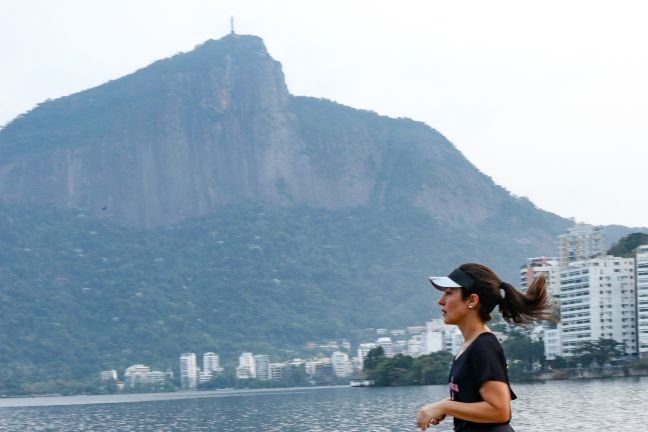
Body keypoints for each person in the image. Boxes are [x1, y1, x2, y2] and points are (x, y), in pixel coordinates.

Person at [416, 263, 556, 432]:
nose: (441, 301)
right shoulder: (470, 346)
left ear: (472, 301)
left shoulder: (484, 346)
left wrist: (445, 406)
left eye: (448, 293)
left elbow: (499, 411)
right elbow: (474, 395)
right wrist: (450, 405)